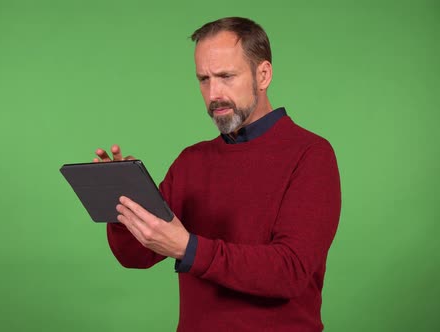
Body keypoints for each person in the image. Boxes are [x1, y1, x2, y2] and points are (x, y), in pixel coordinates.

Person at [93, 17, 341, 332]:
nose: (213, 95)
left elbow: (289, 271)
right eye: (204, 79)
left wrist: (188, 248)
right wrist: (124, 203)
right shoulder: (191, 160)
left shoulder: (311, 154)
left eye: (226, 76)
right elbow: (135, 256)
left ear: (263, 74)